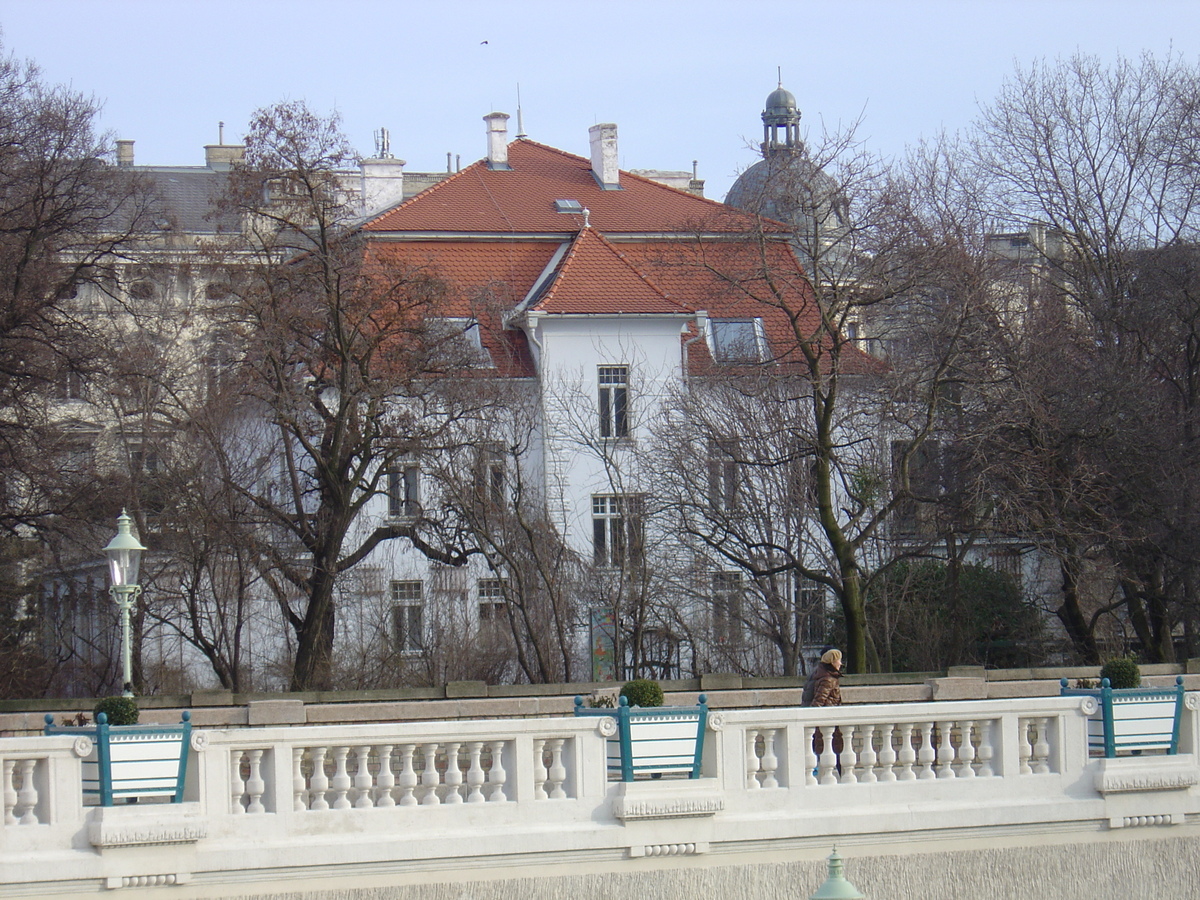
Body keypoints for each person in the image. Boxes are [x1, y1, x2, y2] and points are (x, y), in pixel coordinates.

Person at [802, 648, 843, 768]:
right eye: (838, 660)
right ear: (832, 662)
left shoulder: (818, 674)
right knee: (835, 753)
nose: (840, 663)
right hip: (827, 722)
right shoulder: (828, 679)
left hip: (823, 724)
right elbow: (818, 702)